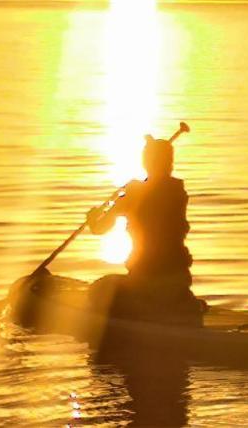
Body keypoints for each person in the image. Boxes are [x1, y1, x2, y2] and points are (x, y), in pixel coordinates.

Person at [85, 134, 200, 323]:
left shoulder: (133, 194)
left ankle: (145, 311)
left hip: (145, 284)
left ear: (146, 163)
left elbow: (100, 228)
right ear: (170, 164)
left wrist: (92, 217)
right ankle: (175, 305)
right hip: (180, 281)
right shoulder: (178, 192)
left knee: (98, 290)